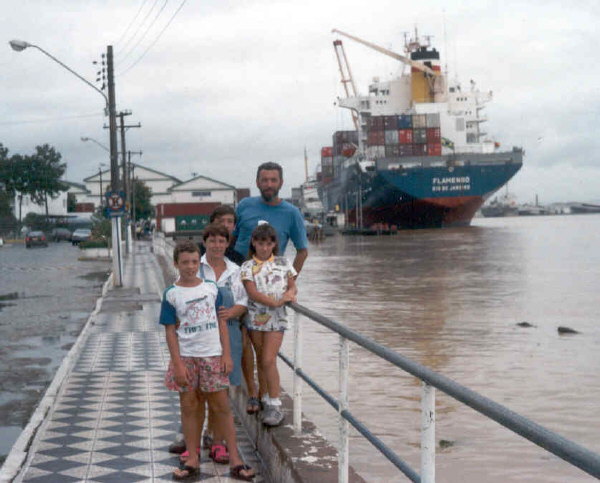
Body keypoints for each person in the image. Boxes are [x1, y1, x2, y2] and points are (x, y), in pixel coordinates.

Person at [160, 240, 255, 481]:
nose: (190, 267)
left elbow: (222, 322)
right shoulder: (171, 294)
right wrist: (178, 364)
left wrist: (226, 354)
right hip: (186, 356)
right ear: (176, 264)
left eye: (194, 262)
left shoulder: (212, 289)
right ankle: (192, 457)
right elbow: (170, 331)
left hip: (212, 355)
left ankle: (235, 458)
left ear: (198, 262)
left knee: (221, 406)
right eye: (185, 263)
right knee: (190, 406)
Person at [199, 223, 248, 464]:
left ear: (227, 244)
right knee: (200, 390)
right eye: (212, 241)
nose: (217, 245)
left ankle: (218, 441)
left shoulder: (235, 270)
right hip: (201, 336)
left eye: (221, 241)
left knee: (223, 391)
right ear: (205, 242)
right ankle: (204, 434)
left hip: (229, 333)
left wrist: (231, 313)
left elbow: (243, 300)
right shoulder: (194, 267)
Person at [240, 224, 297, 426]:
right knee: (260, 357)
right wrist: (275, 302)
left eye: (268, 243)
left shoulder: (284, 262)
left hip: (277, 319)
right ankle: (264, 396)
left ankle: (274, 404)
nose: (264, 248)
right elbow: (252, 292)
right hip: (255, 318)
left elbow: (292, 285)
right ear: (254, 243)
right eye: (260, 243)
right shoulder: (247, 267)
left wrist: (289, 295)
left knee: (267, 359)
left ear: (274, 244)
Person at [232, 162, 308, 274]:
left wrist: (288, 282)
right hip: (237, 275)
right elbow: (230, 240)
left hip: (269, 279)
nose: (269, 185)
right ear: (257, 183)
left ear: (281, 183)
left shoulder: (292, 213)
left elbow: (302, 252)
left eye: (273, 180)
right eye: (264, 180)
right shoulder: (243, 206)